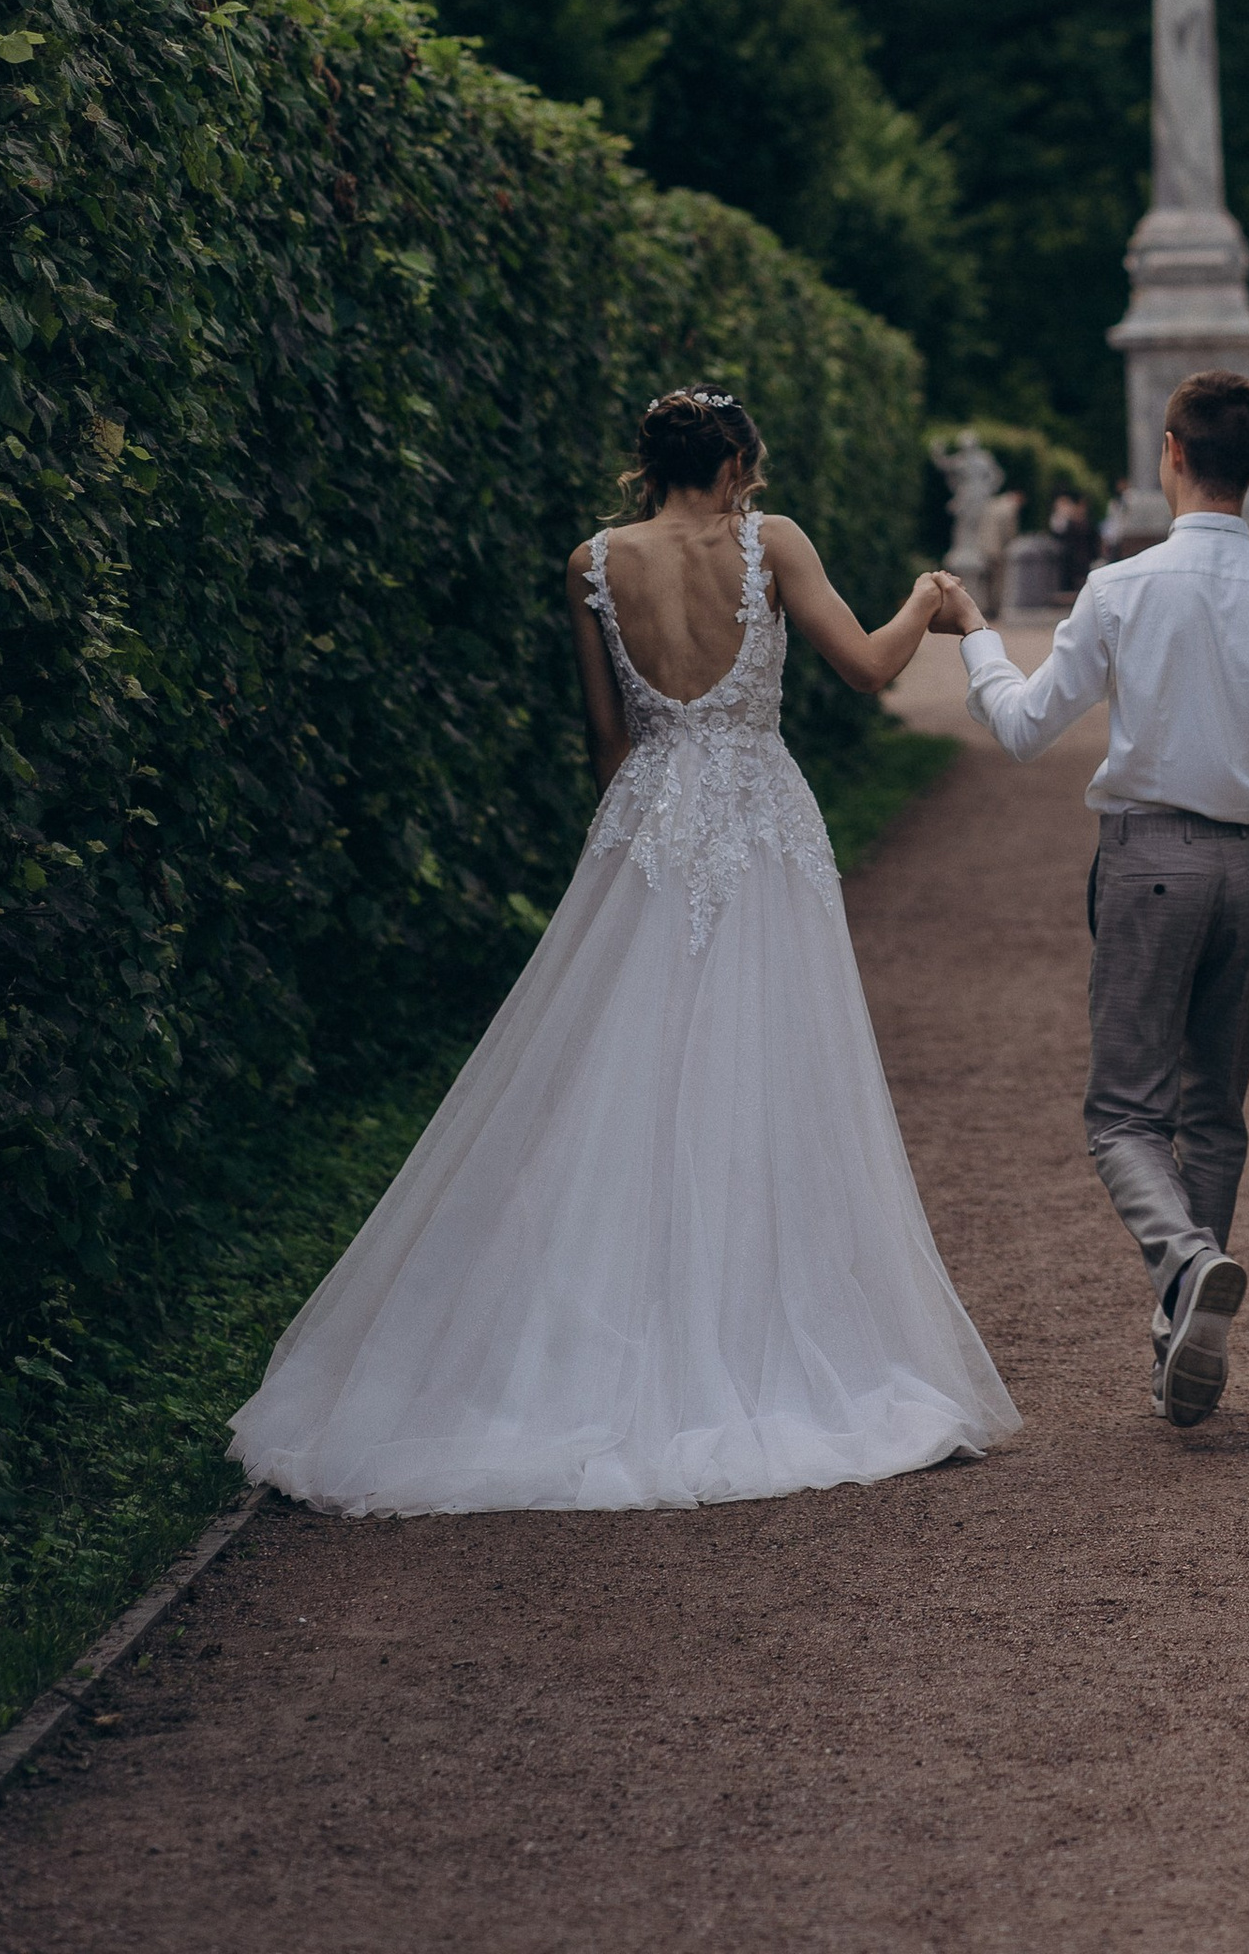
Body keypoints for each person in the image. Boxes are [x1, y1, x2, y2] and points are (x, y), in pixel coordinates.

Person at [229, 387, 1018, 1511]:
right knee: (768, 1071)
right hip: (759, 822)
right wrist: (930, 599)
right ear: (739, 460)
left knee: (625, 1071)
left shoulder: (590, 563)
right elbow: (865, 666)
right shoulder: (773, 541)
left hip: (650, 823)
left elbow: (606, 739)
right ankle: (753, 1320)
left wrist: (645, 839)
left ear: (646, 465)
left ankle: (603, 1317)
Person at [938, 367, 1249, 1432]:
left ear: (1168, 456)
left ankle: (1187, 1270)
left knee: (1122, 1115)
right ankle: (1182, 1341)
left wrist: (971, 633)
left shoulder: (1119, 587)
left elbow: (1021, 728)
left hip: (1148, 862)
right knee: (1213, 1114)